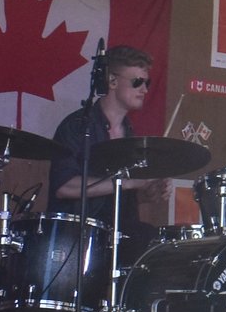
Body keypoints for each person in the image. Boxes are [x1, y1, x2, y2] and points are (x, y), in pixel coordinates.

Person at [48, 45, 159, 239]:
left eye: (146, 83)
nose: (144, 89)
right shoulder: (77, 127)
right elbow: (63, 187)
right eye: (137, 82)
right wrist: (128, 182)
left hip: (118, 236)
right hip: (76, 237)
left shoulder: (130, 135)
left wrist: (148, 191)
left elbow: (121, 196)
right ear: (112, 81)